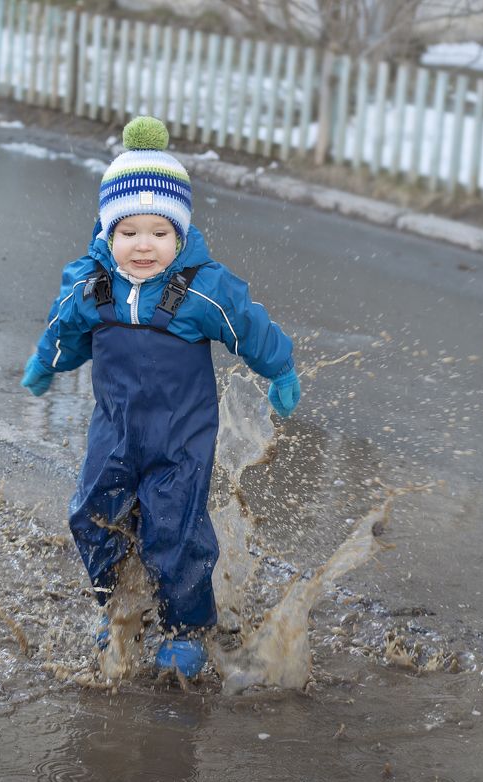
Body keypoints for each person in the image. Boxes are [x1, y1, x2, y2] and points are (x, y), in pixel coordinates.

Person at [22, 116, 300, 679]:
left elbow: (250, 326)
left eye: (159, 232)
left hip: (181, 440)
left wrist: (280, 368)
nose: (143, 245)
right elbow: (62, 328)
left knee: (175, 532)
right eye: (128, 232)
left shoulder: (202, 289)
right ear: (108, 234)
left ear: (179, 234)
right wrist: (46, 364)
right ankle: (120, 604)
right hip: (115, 432)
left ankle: (185, 628)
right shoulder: (91, 284)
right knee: (91, 517)